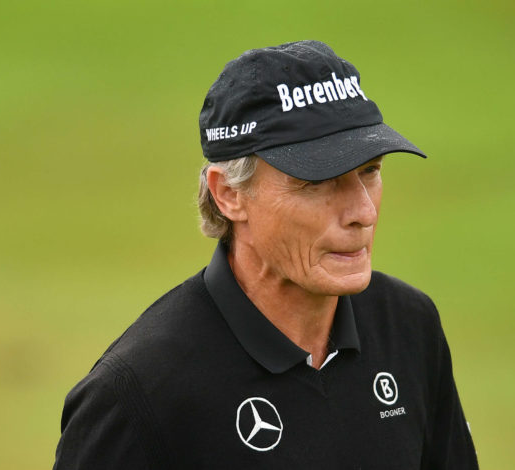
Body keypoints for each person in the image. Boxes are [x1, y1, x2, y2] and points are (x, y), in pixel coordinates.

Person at [53, 40, 479, 469]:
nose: (363, 213)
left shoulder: (409, 327)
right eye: (319, 182)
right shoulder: (138, 393)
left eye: (370, 171)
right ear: (229, 195)